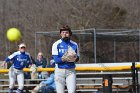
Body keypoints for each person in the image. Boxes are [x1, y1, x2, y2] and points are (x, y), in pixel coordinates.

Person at [52, 25, 80, 93]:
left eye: (66, 32)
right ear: (60, 34)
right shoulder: (56, 44)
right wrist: (65, 58)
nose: (65, 34)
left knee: (72, 91)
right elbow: (56, 60)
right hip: (59, 71)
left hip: (70, 71)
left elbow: (77, 58)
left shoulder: (74, 44)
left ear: (69, 34)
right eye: (63, 32)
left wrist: (74, 57)